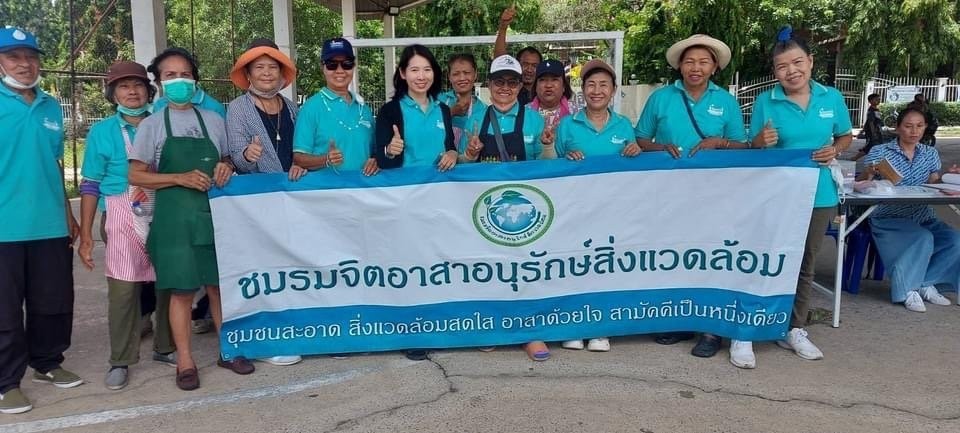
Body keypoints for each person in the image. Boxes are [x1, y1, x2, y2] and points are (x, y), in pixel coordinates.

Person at [129, 47, 249, 391]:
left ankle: (229, 350)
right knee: (182, 292)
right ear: (160, 83)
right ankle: (185, 360)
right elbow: (136, 176)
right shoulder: (152, 125)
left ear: (195, 79)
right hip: (174, 220)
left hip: (211, 216)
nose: (179, 81)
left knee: (217, 287)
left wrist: (227, 166)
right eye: (170, 76)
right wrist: (178, 178)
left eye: (185, 74)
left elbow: (226, 160)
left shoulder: (213, 119)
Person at [634, 34, 749, 358]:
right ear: (680, 66)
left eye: (703, 62)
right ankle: (678, 319)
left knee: (711, 256)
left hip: (715, 194)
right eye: (689, 61)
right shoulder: (661, 98)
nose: (695, 68)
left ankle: (711, 330)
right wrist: (660, 147)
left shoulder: (726, 101)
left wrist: (719, 143)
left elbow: (743, 146)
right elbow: (641, 138)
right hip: (669, 194)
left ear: (714, 67)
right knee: (674, 255)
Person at [746, 26, 852, 369]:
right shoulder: (766, 102)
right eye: (781, 66)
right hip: (776, 195)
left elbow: (846, 136)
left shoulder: (831, 98)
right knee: (767, 259)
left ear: (810, 61)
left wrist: (834, 149)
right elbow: (753, 148)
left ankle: (795, 327)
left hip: (819, 193)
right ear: (775, 72)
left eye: (796, 62)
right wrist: (761, 140)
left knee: (804, 263)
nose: (791, 71)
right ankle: (755, 324)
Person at [77, 61, 176, 390]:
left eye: (137, 85)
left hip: (162, 205)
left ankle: (165, 347)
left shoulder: (164, 121)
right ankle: (120, 358)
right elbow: (90, 183)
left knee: (168, 283)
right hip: (119, 211)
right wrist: (87, 234)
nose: (132, 91)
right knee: (123, 290)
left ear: (149, 90)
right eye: (123, 86)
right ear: (112, 93)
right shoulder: (103, 131)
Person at [0, 25, 82, 415]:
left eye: (30, 57)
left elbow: (53, 163)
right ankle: (6, 381)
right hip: (5, 227)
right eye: (14, 57)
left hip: (50, 223)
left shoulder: (50, 106)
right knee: (4, 308)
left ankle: (48, 363)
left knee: (53, 300)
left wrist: (68, 214)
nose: (24, 64)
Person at [460, 55, 554, 360]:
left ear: (519, 86)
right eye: (498, 81)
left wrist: (549, 146)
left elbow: (550, 170)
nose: (505, 88)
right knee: (487, 272)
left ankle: (531, 333)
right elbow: (461, 164)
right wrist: (470, 154)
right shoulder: (475, 118)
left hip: (526, 213)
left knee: (527, 272)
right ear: (489, 85)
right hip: (485, 214)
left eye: (511, 82)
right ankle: (490, 327)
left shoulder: (536, 120)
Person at [373, 44, 457, 361]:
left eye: (427, 69)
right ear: (402, 74)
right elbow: (381, 158)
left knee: (436, 265)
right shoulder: (391, 111)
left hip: (439, 202)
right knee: (409, 267)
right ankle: (412, 332)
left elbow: (450, 149)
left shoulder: (443, 109)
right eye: (414, 70)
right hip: (404, 203)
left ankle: (438, 325)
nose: (421, 76)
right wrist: (391, 150)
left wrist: (453, 153)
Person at [225, 39, 305, 366]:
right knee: (266, 270)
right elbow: (237, 157)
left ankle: (294, 329)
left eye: (273, 67)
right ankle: (270, 339)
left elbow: (299, 149)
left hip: (293, 198)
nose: (267, 73)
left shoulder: (291, 107)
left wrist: (301, 162)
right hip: (259, 203)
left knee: (292, 267)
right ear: (248, 74)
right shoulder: (237, 109)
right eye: (259, 67)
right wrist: (247, 155)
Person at [557, 60, 641, 353]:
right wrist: (567, 156)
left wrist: (634, 151)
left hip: (612, 212)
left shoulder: (624, 126)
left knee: (605, 267)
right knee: (573, 266)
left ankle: (600, 328)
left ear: (614, 90)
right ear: (582, 90)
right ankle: (572, 326)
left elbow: (633, 167)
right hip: (575, 211)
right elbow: (552, 168)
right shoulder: (567, 125)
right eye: (590, 84)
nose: (596, 90)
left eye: (603, 85)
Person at [859, 107, 960, 312]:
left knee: (954, 239)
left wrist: (947, 177)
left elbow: (933, 181)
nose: (914, 131)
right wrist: (869, 172)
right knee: (922, 238)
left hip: (922, 214)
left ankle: (925, 283)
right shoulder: (880, 151)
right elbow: (860, 182)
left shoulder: (930, 153)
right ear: (898, 128)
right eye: (908, 126)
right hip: (887, 215)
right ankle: (907, 290)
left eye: (919, 126)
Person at [294, 37, 378, 177]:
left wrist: (376, 161)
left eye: (347, 64)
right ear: (323, 67)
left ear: (353, 67)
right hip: (328, 194)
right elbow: (298, 158)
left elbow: (375, 151)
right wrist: (326, 160)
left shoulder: (364, 109)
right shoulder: (310, 108)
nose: (340, 70)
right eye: (332, 64)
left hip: (363, 193)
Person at [494, 4, 541, 106]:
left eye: (534, 66)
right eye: (525, 64)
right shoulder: (509, 89)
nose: (529, 69)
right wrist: (503, 27)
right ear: (517, 65)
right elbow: (500, 60)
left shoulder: (544, 92)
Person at [439, 53, 486, 146]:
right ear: (449, 76)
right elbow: (425, 127)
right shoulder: (438, 100)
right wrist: (451, 112)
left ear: (475, 74)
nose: (462, 78)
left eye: (467, 73)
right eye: (456, 74)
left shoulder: (483, 109)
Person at [527, 59, 579, 130]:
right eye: (543, 80)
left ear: (563, 86)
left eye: (554, 79)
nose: (548, 85)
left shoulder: (576, 112)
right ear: (536, 86)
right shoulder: (524, 113)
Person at [854, 93, 883, 160]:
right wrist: (873, 133)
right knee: (870, 145)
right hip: (872, 132)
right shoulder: (871, 110)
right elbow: (870, 122)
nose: (878, 101)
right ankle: (855, 158)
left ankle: (877, 158)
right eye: (876, 99)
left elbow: (870, 121)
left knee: (877, 145)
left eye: (879, 99)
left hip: (877, 131)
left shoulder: (876, 110)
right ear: (870, 101)